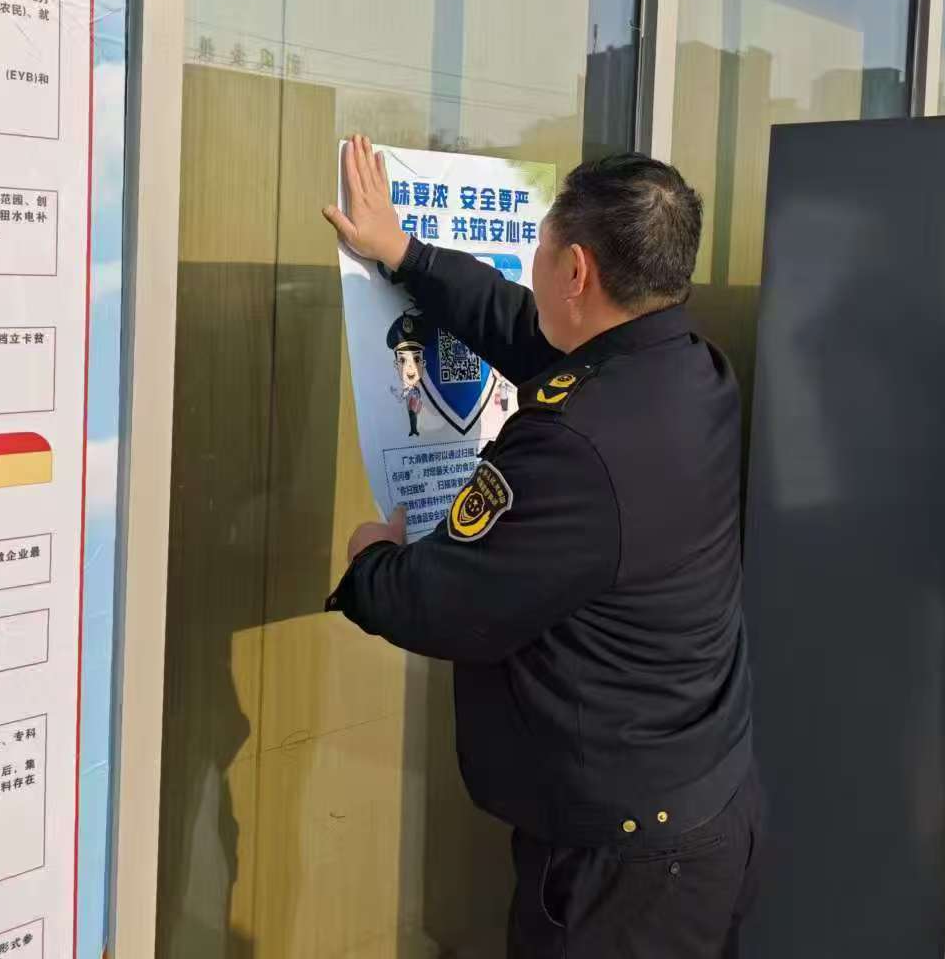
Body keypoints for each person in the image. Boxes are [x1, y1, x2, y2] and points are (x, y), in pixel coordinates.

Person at [322, 136, 760, 959]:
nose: (533, 268)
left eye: (541, 248)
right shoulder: (693, 370)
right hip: (705, 807)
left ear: (577, 271)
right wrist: (405, 253)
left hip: (626, 876)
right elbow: (529, 333)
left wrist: (370, 561)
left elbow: (442, 602)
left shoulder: (575, 446)